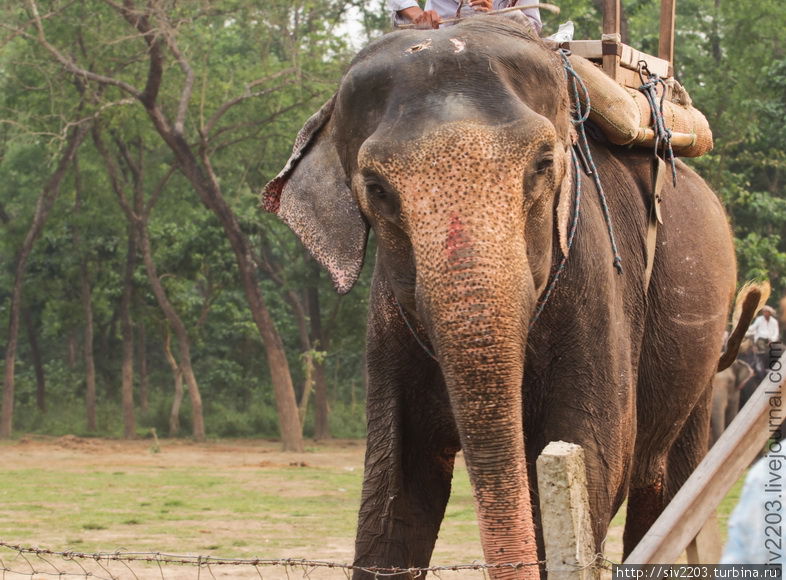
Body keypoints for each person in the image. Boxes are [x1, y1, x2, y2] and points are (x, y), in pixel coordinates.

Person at [388, 0, 542, 33]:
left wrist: (498, 15)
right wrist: (417, 14)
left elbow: (532, 30)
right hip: (437, 42)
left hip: (503, 52)